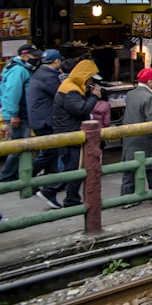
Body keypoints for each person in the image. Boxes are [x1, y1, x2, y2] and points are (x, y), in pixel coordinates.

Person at [37, 59, 102, 209]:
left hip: (69, 131)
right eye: (90, 79)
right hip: (70, 133)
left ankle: (70, 197)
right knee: (73, 167)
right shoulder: (71, 90)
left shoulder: (72, 87)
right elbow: (80, 110)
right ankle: (52, 191)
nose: (91, 82)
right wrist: (94, 97)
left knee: (75, 167)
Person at [121, 67, 152, 208]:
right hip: (146, 139)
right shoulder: (149, 97)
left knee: (130, 169)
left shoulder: (131, 94)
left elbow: (137, 110)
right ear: (150, 82)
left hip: (130, 137)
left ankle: (127, 198)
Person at [0, 44, 41, 182]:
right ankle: (7, 178)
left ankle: (16, 176)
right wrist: (13, 114)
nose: (37, 59)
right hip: (18, 115)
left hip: (21, 113)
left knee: (21, 147)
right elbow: (12, 93)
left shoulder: (21, 68)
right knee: (20, 147)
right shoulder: (18, 70)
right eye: (33, 56)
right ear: (24, 56)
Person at [27, 49, 64, 186]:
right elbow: (60, 94)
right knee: (49, 152)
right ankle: (27, 177)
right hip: (44, 120)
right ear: (56, 61)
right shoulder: (48, 77)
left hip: (39, 117)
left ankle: (51, 183)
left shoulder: (41, 72)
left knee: (52, 152)